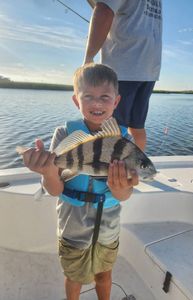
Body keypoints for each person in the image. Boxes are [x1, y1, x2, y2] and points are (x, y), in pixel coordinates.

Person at [20, 63, 138, 300]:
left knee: (105, 275)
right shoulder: (64, 134)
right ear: (76, 101)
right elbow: (54, 190)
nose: (97, 103)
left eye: (105, 97)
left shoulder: (125, 140)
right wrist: (47, 173)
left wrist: (121, 188)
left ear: (116, 101)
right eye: (89, 97)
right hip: (73, 229)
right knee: (74, 278)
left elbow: (124, 196)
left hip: (108, 230)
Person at [84, 0, 163, 151]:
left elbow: (104, 10)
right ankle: (135, 170)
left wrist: (88, 59)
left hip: (124, 64)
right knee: (137, 126)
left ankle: (112, 173)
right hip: (149, 67)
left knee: (111, 128)